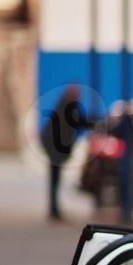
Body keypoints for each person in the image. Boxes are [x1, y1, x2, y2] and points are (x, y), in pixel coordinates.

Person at [40, 85, 88, 222]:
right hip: (55, 149)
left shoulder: (63, 105)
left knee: (55, 180)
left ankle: (54, 209)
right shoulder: (66, 107)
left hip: (54, 149)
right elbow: (76, 122)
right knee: (55, 180)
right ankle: (53, 210)